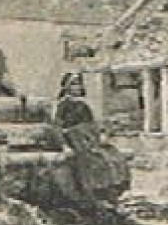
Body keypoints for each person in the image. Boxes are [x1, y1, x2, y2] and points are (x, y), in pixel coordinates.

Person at [52, 72, 129, 205]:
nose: (77, 87)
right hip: (74, 138)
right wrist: (64, 145)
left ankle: (112, 191)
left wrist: (102, 134)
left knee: (111, 156)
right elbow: (57, 126)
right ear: (67, 87)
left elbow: (93, 124)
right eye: (74, 84)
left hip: (90, 137)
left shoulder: (84, 105)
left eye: (79, 84)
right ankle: (92, 193)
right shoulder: (63, 104)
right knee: (91, 161)